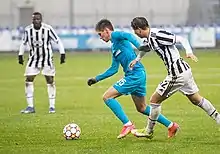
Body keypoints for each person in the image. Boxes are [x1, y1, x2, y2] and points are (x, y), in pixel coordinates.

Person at [87, 19, 179, 139]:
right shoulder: (114, 47)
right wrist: (96, 79)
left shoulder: (116, 35)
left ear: (106, 30)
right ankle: (171, 125)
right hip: (137, 75)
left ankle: (128, 125)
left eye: (100, 34)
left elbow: (129, 35)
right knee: (142, 108)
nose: (100, 37)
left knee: (107, 97)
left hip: (135, 75)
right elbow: (113, 69)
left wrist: (140, 47)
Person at [129, 17, 220, 139]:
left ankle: (148, 131)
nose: (135, 33)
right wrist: (137, 59)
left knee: (154, 100)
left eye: (135, 31)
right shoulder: (149, 38)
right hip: (184, 71)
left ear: (139, 29)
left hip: (176, 74)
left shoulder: (157, 35)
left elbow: (182, 39)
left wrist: (189, 51)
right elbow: (146, 47)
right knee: (196, 99)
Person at [18, 12, 66, 114]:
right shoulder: (28, 30)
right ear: (32, 20)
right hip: (33, 59)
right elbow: (23, 43)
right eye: (34, 19)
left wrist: (62, 53)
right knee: (28, 79)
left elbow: (58, 41)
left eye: (38, 19)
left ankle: (52, 106)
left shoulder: (47, 29)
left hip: (47, 59)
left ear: (41, 20)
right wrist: (20, 55)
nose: (36, 21)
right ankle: (30, 106)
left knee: (50, 80)